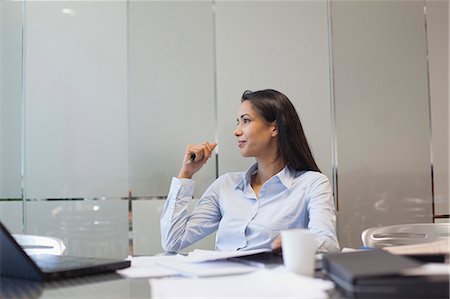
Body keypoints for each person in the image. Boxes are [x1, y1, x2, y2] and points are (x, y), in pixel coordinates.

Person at [160, 89, 340, 253]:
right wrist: (186, 174)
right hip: (223, 284)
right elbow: (173, 241)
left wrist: (295, 243)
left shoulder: (312, 184)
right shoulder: (226, 186)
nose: (236, 131)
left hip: (274, 284)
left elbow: (328, 244)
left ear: (275, 128)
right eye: (238, 122)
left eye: (246, 121)